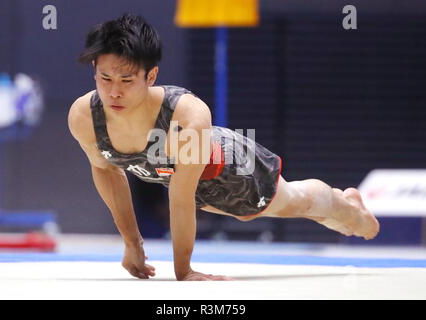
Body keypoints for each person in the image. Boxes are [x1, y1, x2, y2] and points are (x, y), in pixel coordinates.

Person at [67, 13, 379, 281]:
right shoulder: (84, 116)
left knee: (290, 203)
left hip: (229, 169)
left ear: (151, 76)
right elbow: (106, 171)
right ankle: (338, 209)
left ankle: (345, 206)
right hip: (180, 181)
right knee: (252, 214)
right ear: (94, 68)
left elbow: (180, 198)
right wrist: (132, 243)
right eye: (105, 78)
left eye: (126, 81)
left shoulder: (187, 115)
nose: (113, 92)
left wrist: (184, 271)